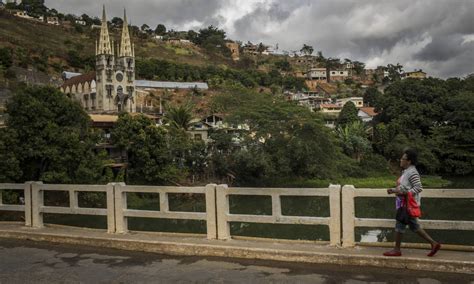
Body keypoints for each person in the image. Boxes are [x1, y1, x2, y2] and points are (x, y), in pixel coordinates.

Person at [384, 148, 441, 257]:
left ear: (409, 161)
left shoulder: (412, 172)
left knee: (401, 225)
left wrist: (406, 193)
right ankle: (433, 243)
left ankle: (397, 250)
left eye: (403, 158)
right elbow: (404, 187)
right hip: (404, 204)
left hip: (408, 204)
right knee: (413, 226)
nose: (400, 160)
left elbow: (419, 188)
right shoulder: (406, 171)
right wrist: (394, 190)